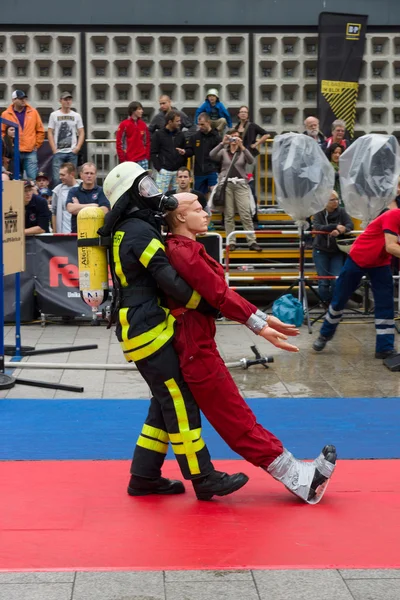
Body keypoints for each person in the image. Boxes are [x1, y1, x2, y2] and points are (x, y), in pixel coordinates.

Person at [163, 193, 337, 504]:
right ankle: (299, 479)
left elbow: (220, 294)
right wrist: (261, 325)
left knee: (176, 415)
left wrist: (261, 318)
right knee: (235, 418)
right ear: (178, 218)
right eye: (197, 209)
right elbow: (218, 294)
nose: (206, 213)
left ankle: (145, 476)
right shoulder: (183, 253)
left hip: (197, 342)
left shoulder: (187, 249)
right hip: (194, 346)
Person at [101, 161, 248, 500]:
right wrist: (207, 304)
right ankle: (203, 476)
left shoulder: (130, 227)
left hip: (141, 327)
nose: (154, 194)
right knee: (180, 400)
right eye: (145, 188)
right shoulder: (138, 231)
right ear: (131, 197)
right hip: (146, 328)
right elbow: (167, 277)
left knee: (163, 399)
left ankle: (144, 476)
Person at [313, 197, 400, 359]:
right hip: (359, 258)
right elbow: (391, 246)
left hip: (380, 262)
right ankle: (325, 334)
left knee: (385, 303)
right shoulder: (394, 215)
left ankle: (385, 348)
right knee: (339, 299)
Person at [209, 130, 261, 252]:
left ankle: (252, 241)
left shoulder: (242, 152)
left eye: (237, 137)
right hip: (226, 185)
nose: (234, 140)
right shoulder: (223, 151)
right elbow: (211, 155)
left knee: (246, 214)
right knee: (229, 215)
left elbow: (251, 160)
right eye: (233, 137)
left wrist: (242, 147)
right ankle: (231, 241)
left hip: (240, 184)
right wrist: (222, 143)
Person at [312, 190, 354, 304]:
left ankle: (336, 305)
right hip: (321, 250)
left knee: (337, 279)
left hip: (337, 251)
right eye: (332, 200)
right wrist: (335, 226)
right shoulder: (319, 213)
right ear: (325, 202)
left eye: (337, 199)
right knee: (323, 281)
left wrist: (343, 229)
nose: (335, 202)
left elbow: (350, 225)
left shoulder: (342, 211)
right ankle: (326, 303)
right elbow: (317, 227)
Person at [1, 90, 45, 180]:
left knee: (32, 179)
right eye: (20, 98)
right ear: (13, 100)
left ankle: (31, 194)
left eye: (24, 98)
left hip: (30, 151)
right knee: (14, 178)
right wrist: (8, 147)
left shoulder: (33, 112)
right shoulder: (6, 114)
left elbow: (40, 130)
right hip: (14, 152)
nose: (23, 100)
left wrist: (36, 145)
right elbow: (2, 132)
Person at [47, 91, 85, 187]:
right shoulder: (54, 115)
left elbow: (81, 132)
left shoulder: (76, 115)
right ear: (60, 101)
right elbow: (50, 132)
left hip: (72, 152)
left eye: (69, 99)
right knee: (57, 178)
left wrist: (77, 147)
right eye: (65, 99)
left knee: (72, 178)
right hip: (59, 152)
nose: (68, 101)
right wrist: (54, 149)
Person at [150, 110, 190, 193]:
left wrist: (182, 168)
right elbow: (153, 153)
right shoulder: (158, 135)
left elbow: (184, 151)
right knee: (161, 196)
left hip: (177, 173)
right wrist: (159, 169)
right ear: (170, 122)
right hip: (164, 172)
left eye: (180, 121)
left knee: (177, 197)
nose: (180, 123)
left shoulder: (181, 135)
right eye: (177, 121)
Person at [66, 162, 110, 233]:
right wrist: (93, 205)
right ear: (81, 175)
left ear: (95, 175)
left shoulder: (102, 191)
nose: (89, 176)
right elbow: (70, 209)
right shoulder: (73, 191)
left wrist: (78, 207)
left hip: (95, 233)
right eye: (86, 173)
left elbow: (104, 210)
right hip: (77, 233)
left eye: (91, 173)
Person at [185, 113, 221, 195]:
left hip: (212, 170)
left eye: (202, 124)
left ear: (208, 122)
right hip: (199, 172)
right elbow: (190, 151)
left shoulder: (216, 137)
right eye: (199, 124)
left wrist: (219, 170)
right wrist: (185, 152)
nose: (200, 127)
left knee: (215, 195)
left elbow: (220, 155)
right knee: (199, 196)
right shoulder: (195, 137)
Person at [116, 101, 150, 169]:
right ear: (133, 111)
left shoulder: (143, 125)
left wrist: (146, 156)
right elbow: (119, 143)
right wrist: (123, 159)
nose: (142, 111)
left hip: (143, 160)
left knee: (143, 179)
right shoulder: (124, 124)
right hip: (129, 160)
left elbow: (147, 141)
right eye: (139, 109)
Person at [51, 163, 80, 233]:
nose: (60, 177)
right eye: (60, 174)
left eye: (63, 175)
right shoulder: (57, 190)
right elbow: (53, 212)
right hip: (63, 233)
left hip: (80, 230)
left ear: (72, 174)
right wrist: (55, 231)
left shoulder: (82, 187)